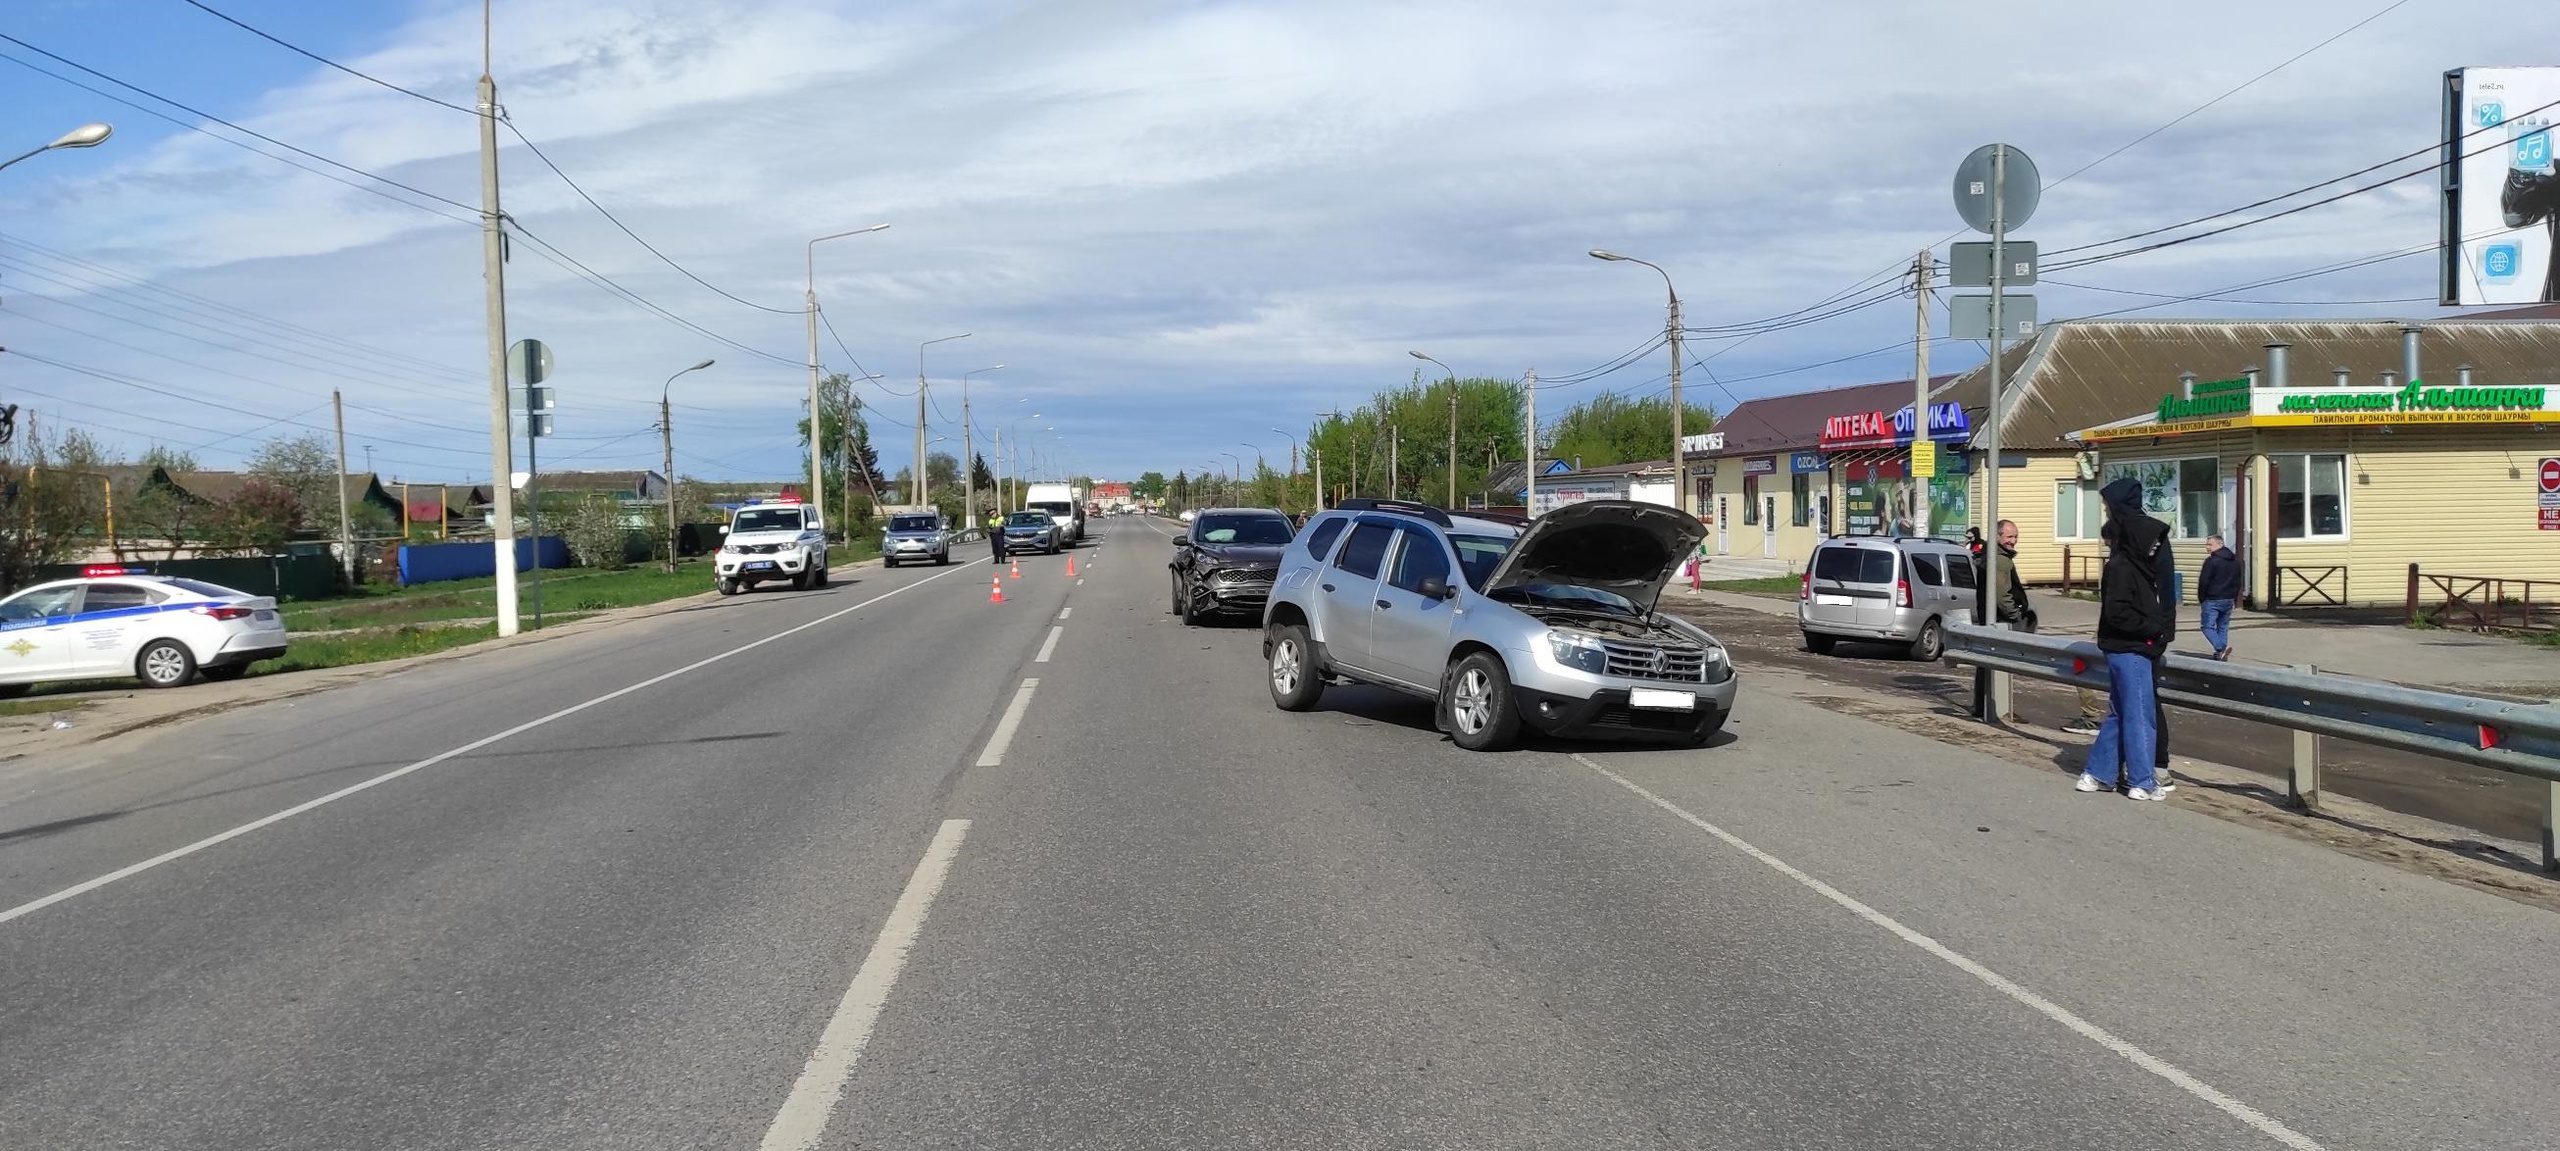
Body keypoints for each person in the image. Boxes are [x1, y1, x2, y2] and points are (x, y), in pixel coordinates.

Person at [2077, 477, 2176, 801]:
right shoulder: (2127, 566)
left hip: (2119, 644)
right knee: (2139, 715)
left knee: (2120, 713)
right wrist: (2157, 632)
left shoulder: (2121, 562)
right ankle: (2143, 780)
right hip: (2134, 646)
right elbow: (2127, 610)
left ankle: (2098, 773)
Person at [2198, 533, 2241, 661]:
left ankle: (2221, 647)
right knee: (2223, 626)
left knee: (2207, 626)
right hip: (2228, 599)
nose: (2207, 547)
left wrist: (2202, 598)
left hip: (2212, 599)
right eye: (2207, 544)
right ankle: (2221, 654)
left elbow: (2204, 581)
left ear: (2220, 544)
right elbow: (2238, 581)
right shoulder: (2235, 561)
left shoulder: (2211, 562)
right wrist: (2234, 598)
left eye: (2210, 544)